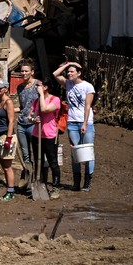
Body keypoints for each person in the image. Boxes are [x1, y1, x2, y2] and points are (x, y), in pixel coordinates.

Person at [54, 61, 96, 191]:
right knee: (75, 153)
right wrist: (68, 64)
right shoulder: (68, 84)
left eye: (72, 71)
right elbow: (55, 74)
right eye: (68, 71)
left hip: (86, 122)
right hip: (71, 123)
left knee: (88, 152)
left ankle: (87, 182)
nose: (69, 73)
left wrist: (84, 123)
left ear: (79, 73)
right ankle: (76, 183)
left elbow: (87, 106)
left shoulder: (88, 87)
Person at [31, 78, 62, 194]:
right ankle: (41, 184)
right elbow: (31, 116)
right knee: (38, 160)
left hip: (49, 135)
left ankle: (56, 187)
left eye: (39, 85)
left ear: (46, 87)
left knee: (52, 161)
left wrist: (41, 95)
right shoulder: (36, 101)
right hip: (36, 135)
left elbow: (44, 109)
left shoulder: (55, 100)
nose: (36, 88)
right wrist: (33, 119)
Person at [0, 79, 17, 202]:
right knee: (3, 165)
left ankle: (11, 191)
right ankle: (9, 190)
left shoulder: (8, 102)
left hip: (6, 135)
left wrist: (9, 138)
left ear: (5, 89)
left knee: (7, 166)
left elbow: (11, 121)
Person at [15, 59, 38, 170]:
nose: (23, 73)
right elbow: (22, 107)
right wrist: (7, 109)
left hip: (33, 124)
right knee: (25, 154)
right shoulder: (19, 88)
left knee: (37, 151)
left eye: (26, 71)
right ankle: (28, 177)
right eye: (22, 71)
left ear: (32, 72)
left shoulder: (38, 85)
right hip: (21, 124)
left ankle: (37, 178)